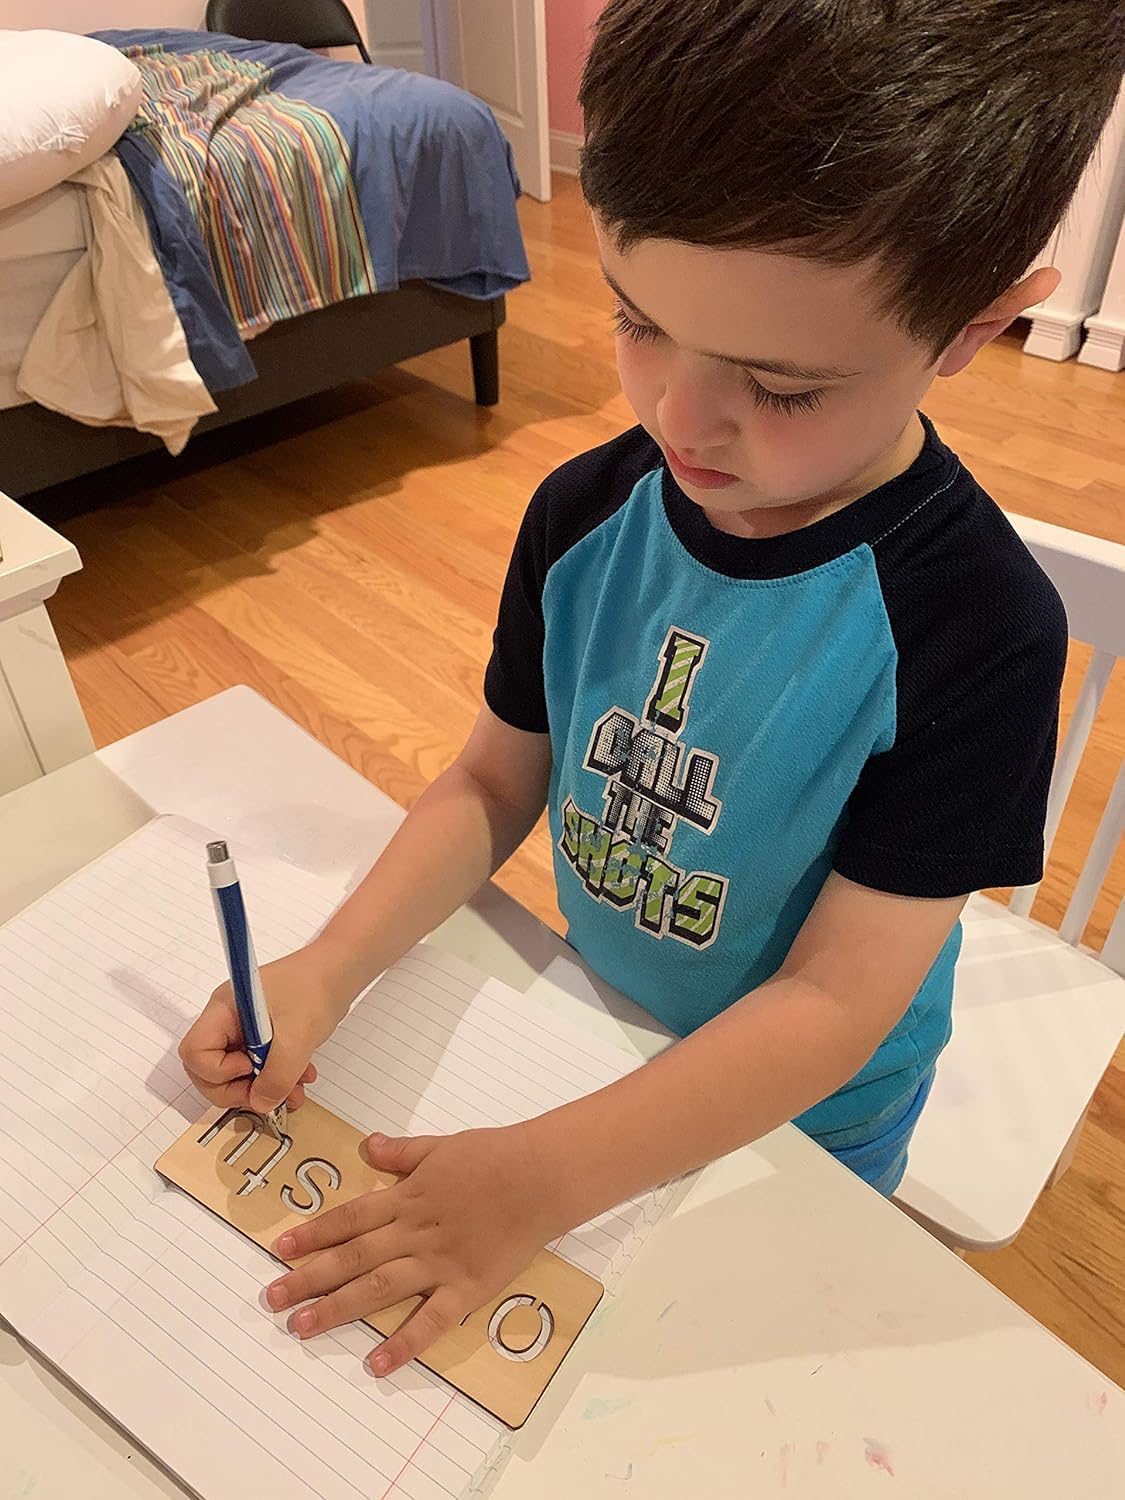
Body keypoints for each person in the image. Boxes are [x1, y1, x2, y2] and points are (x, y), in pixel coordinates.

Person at [179, 0, 1125, 1376]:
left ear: (974, 326)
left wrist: (539, 1180)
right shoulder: (586, 513)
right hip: (587, 1034)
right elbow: (491, 779)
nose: (679, 419)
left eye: (780, 388)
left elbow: (833, 1005)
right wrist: (325, 969)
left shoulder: (976, 628)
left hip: (808, 1126)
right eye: (638, 320)